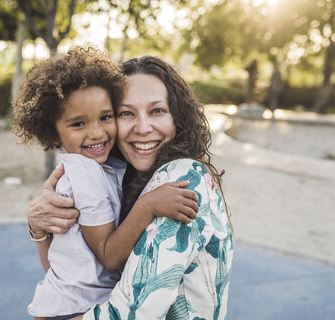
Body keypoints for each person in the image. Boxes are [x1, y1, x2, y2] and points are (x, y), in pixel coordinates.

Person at [27, 55, 233, 319]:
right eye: (126, 113)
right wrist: (39, 226)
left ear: (178, 117)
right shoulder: (114, 176)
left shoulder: (182, 178)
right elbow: (71, 272)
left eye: (157, 110)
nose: (143, 128)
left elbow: (130, 314)